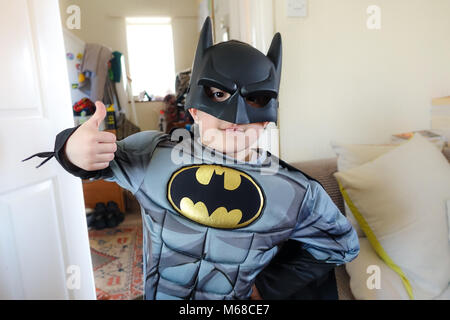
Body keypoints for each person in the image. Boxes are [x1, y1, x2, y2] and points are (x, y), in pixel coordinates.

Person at [26, 17, 359, 300]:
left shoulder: (296, 191)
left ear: (270, 115)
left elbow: (340, 245)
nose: (234, 117)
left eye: (256, 98)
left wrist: (266, 287)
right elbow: (93, 167)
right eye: (218, 94)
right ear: (195, 108)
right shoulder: (152, 155)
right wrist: (72, 148)